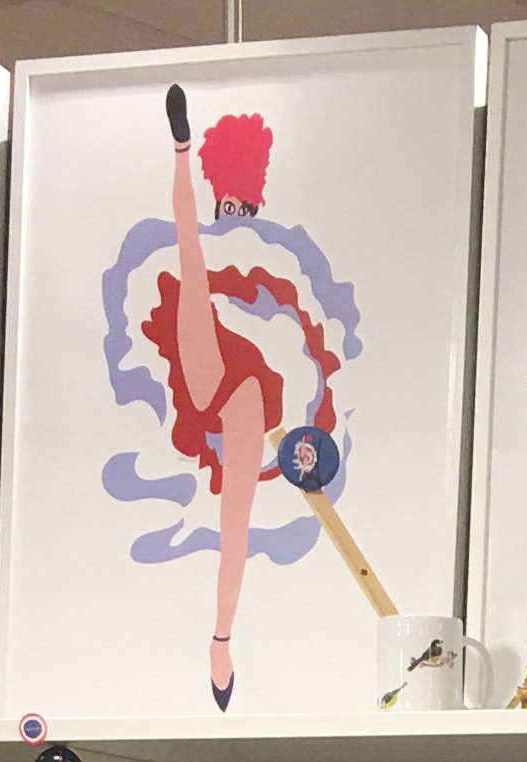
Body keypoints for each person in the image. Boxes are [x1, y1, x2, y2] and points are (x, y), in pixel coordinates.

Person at [148, 87, 344, 710]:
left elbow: (296, 315)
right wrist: (183, 155)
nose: (235, 211)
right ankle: (181, 147)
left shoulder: (273, 249)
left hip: (253, 379)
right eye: (228, 203)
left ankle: (221, 642)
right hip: (211, 348)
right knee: (191, 257)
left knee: (236, 520)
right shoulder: (215, 243)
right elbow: (192, 244)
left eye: (244, 204)